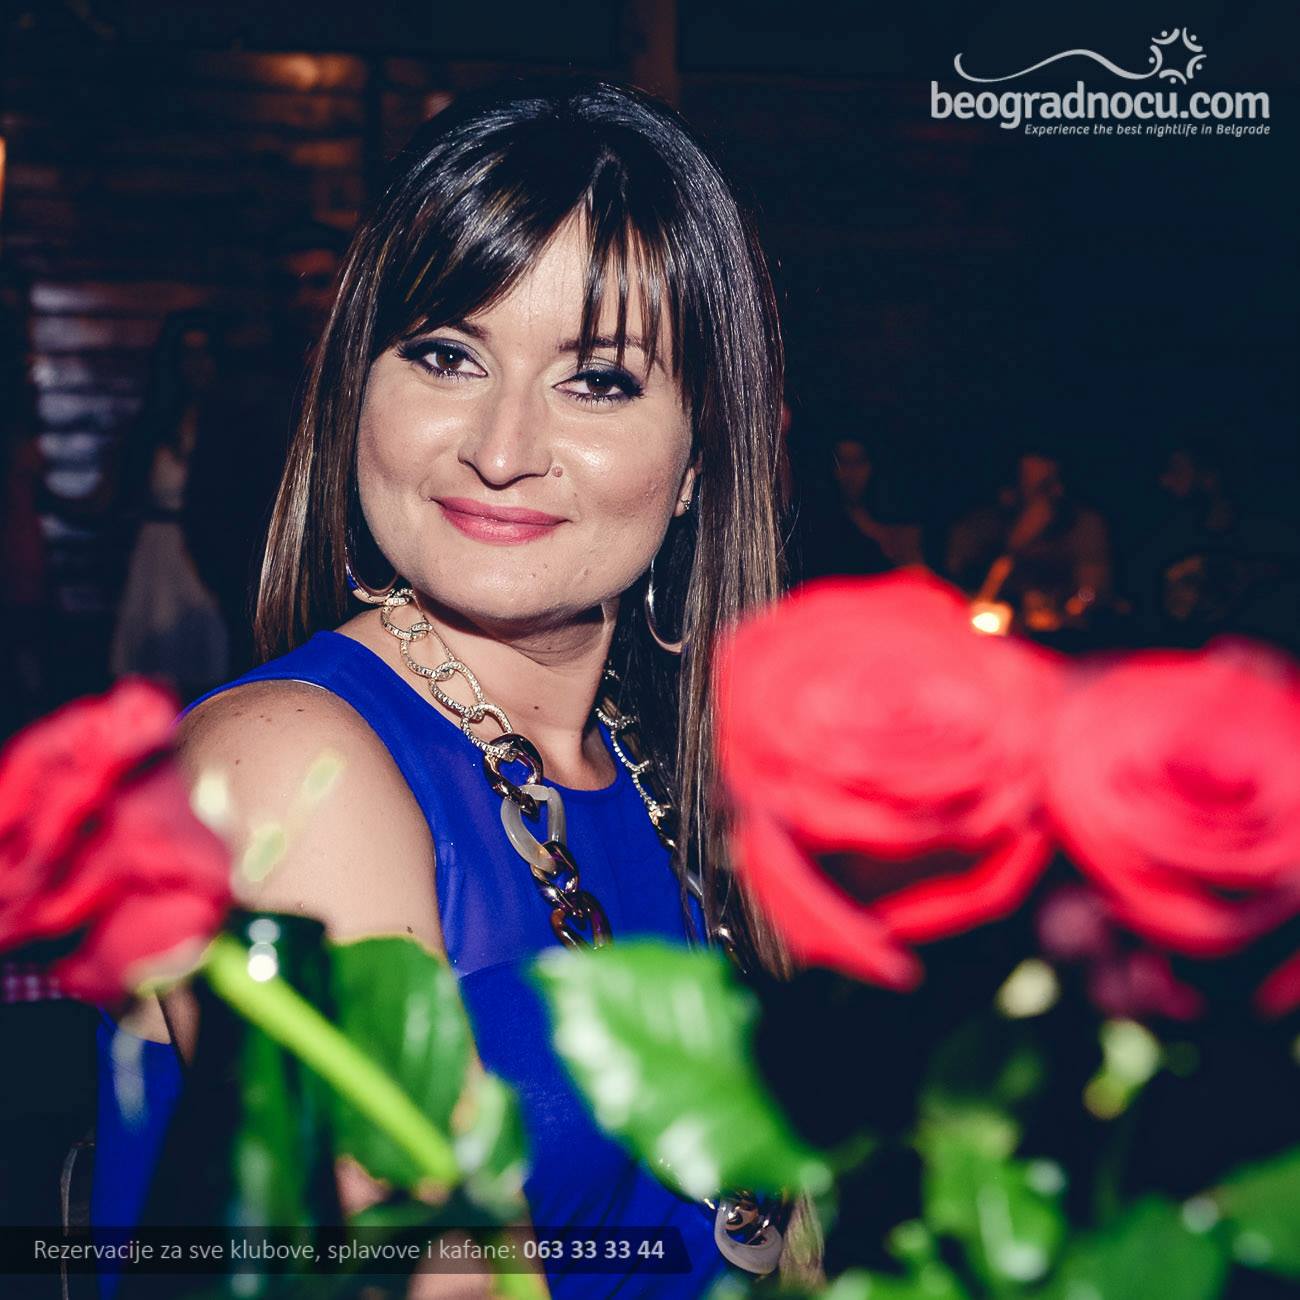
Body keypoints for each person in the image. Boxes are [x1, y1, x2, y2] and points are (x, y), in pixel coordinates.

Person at [95, 80, 814, 1295]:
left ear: (699, 457)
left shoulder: (662, 764)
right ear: (356, 389)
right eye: (445, 355)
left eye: (598, 380)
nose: (500, 447)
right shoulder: (288, 762)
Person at [109, 312, 231, 700]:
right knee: (150, 667)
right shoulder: (154, 424)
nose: (195, 365)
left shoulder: (231, 421)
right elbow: (115, 497)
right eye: (186, 354)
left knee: (208, 661)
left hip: (207, 553)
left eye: (203, 353)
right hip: (155, 548)